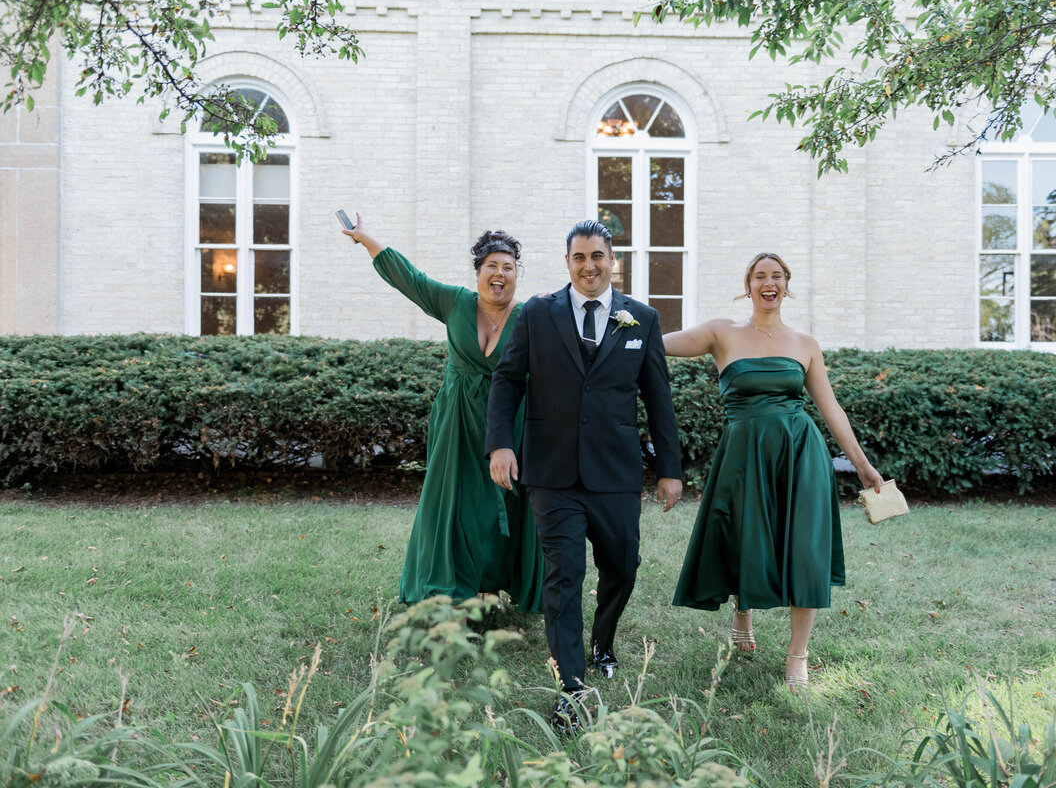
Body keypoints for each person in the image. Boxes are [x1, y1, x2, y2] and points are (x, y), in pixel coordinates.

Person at [486, 220, 683, 731]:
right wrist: (502, 444)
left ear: (611, 260)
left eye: (598, 256)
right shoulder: (536, 313)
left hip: (616, 471)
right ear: (567, 261)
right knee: (564, 574)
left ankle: (603, 641)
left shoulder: (640, 318)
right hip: (551, 472)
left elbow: (658, 397)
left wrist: (670, 469)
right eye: (579, 257)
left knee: (623, 567)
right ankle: (571, 686)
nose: (589, 266)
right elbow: (507, 380)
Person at [664, 252, 884, 691]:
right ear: (749, 286)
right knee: (744, 538)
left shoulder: (804, 343)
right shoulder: (721, 332)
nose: (769, 283)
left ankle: (797, 655)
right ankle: (742, 613)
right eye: (760, 276)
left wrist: (861, 465)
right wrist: (612, 313)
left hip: (801, 454)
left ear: (787, 285)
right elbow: (656, 342)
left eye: (777, 276)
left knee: (805, 551)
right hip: (743, 455)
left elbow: (830, 407)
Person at [342, 215, 542, 613]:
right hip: (457, 421)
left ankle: (494, 585)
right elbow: (411, 280)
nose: (500, 274)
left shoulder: (531, 316)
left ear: (517, 275)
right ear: (479, 272)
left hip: (509, 423)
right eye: (492, 266)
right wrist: (367, 239)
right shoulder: (455, 302)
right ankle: (449, 592)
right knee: (456, 504)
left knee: (505, 502)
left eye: (508, 267)